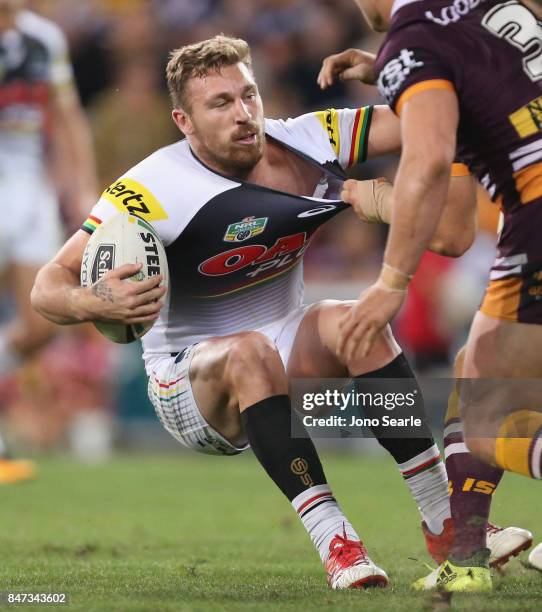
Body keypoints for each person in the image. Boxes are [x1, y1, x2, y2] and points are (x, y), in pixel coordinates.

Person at [32, 35, 482, 588]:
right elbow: (45, 288)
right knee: (251, 351)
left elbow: (435, 117)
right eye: (220, 104)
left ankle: (444, 519)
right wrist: (93, 299)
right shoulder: (148, 190)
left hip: (285, 351)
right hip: (188, 383)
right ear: (184, 121)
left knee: (360, 321)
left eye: (249, 95)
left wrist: (402, 73)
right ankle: (336, 540)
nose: (244, 115)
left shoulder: (311, 139)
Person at [318, 0, 542, 593]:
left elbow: (428, 165)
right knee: (477, 369)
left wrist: (391, 283)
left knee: (486, 411)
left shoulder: (415, 37)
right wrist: (394, 70)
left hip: (538, 207)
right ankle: (466, 557)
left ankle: (466, 556)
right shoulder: (479, 14)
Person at [0, 0, 97, 482]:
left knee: (41, 324)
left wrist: (82, 187)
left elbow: (66, 114)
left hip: (27, 187)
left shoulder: (44, 38)